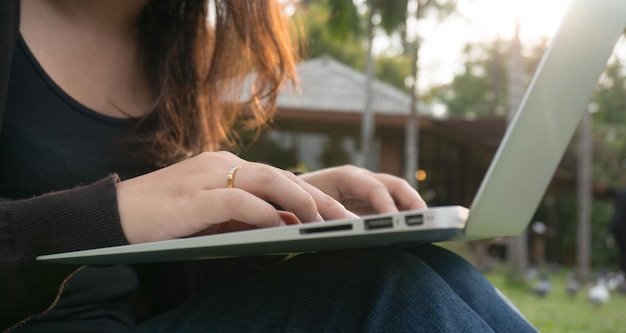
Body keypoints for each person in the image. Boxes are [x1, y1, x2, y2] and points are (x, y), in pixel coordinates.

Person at [0, 0, 537, 332]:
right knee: (388, 294)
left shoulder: (177, 53)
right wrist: (110, 214)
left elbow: (170, 285)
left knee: (431, 268)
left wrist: (271, 215)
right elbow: (116, 222)